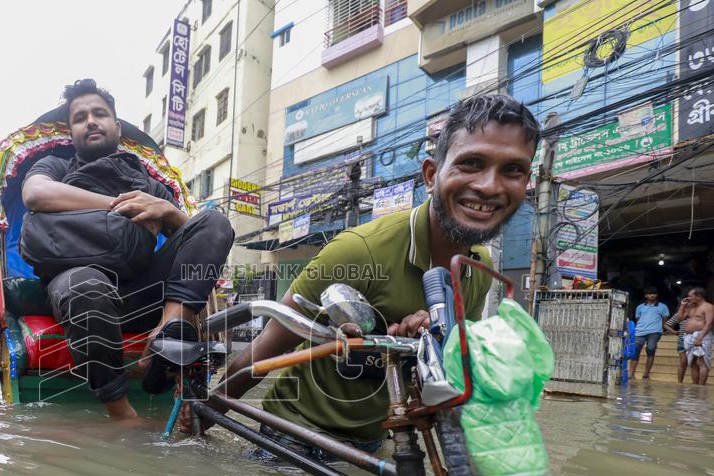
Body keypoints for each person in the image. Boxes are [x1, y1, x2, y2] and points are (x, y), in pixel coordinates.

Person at [188, 94, 539, 453]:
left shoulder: (479, 270)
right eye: (471, 163)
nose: (490, 186)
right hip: (294, 435)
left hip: (377, 442)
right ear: (432, 175)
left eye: (512, 170)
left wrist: (416, 349)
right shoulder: (360, 250)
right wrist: (201, 418)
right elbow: (259, 357)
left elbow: (450, 375)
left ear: (527, 181)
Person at [21, 79, 234, 420]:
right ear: (71, 132)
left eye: (99, 114)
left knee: (214, 222)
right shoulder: (57, 167)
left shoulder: (149, 185)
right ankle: (121, 414)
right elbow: (36, 194)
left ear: (116, 127)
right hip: (78, 289)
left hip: (141, 295)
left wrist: (167, 211)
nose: (91, 121)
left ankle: (169, 329)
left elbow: (200, 237)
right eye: (80, 117)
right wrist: (120, 207)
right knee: (86, 286)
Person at [628, 286, 669, 380]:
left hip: (655, 332)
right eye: (650, 294)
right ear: (646, 295)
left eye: (654, 293)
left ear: (657, 295)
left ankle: (646, 374)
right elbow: (638, 319)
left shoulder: (663, 306)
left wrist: (664, 330)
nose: (652, 295)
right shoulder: (640, 307)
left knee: (650, 349)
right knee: (635, 352)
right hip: (640, 331)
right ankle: (631, 374)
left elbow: (664, 320)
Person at [682, 287, 713, 385]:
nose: (689, 298)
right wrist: (682, 306)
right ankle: (695, 386)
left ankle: (701, 386)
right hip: (689, 336)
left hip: (702, 336)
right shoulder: (691, 306)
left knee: (702, 362)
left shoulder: (708, 307)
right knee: (693, 363)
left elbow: (709, 323)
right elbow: (680, 318)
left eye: (691, 296)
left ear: (698, 296)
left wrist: (700, 338)